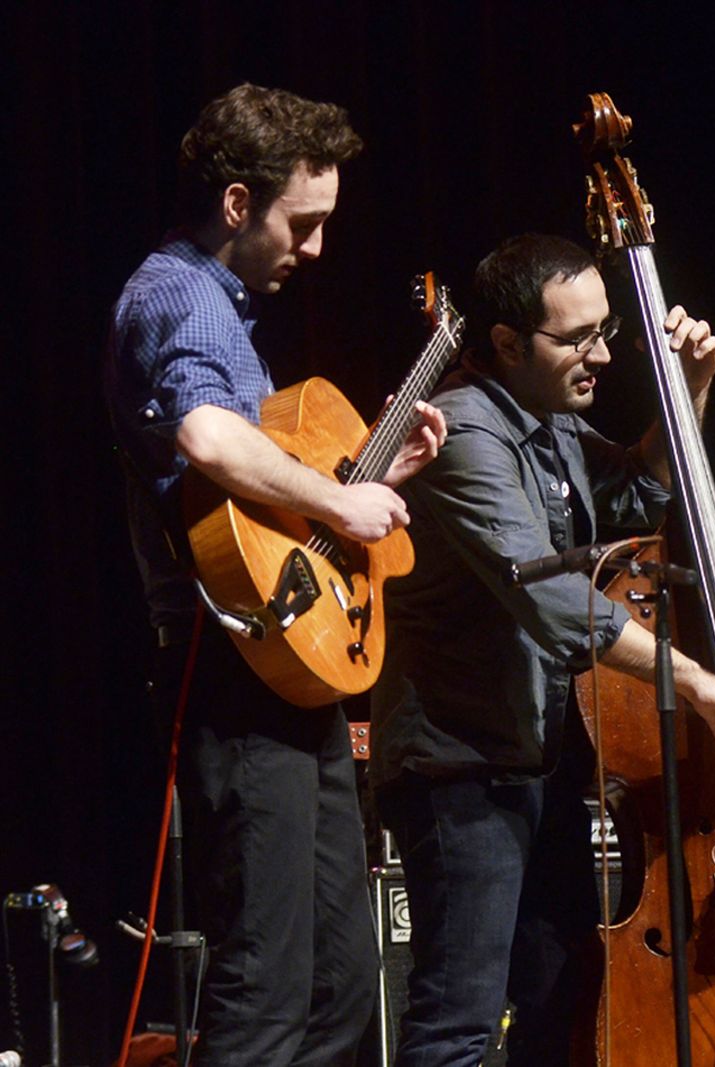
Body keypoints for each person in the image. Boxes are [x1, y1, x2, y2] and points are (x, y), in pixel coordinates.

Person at [369, 233, 715, 1067]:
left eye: (606, 330)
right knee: (458, 1022)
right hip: (460, 769)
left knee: (566, 1002)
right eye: (577, 339)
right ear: (510, 342)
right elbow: (552, 598)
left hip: (537, 763)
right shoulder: (466, 432)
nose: (602, 355)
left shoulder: (548, 420)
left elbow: (636, 489)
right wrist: (696, 679)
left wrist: (687, 392)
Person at [104, 83, 446, 1066]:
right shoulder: (178, 293)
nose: (319, 247)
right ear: (238, 204)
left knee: (339, 985)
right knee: (264, 985)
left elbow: (259, 504)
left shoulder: (225, 310)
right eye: (306, 221)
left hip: (283, 670)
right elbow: (207, 436)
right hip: (227, 670)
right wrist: (341, 503)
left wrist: (369, 476)